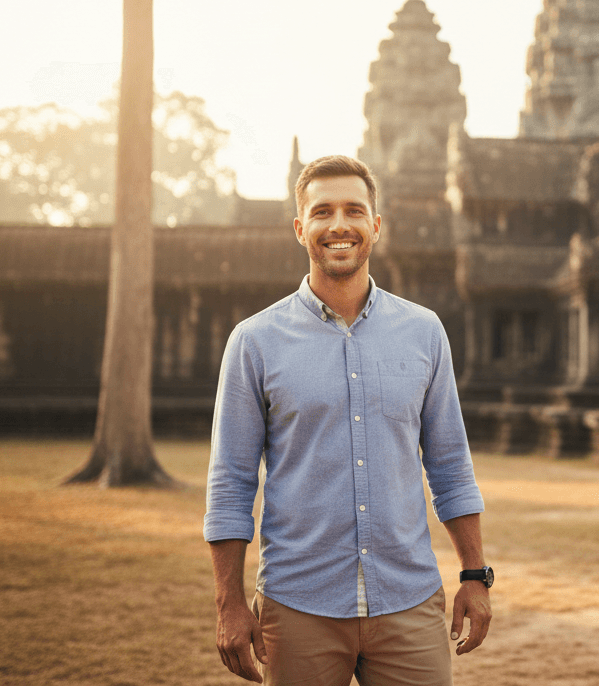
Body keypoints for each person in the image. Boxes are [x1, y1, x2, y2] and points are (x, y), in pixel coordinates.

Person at [204, 154, 492, 685]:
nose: (339, 225)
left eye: (354, 211)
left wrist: (475, 574)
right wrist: (228, 603)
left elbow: (450, 464)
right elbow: (231, 483)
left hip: (408, 600)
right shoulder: (255, 342)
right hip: (299, 605)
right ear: (300, 228)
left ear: (375, 226)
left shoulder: (424, 332)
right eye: (323, 212)